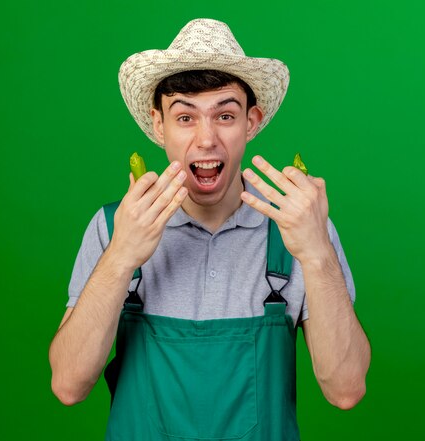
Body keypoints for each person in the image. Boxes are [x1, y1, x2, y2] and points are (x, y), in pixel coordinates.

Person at [49, 18, 371, 440]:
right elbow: (68, 385)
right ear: (158, 124)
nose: (206, 139)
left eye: (225, 114)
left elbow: (346, 389)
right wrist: (122, 256)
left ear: (251, 122)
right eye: (185, 117)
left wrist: (317, 254)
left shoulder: (298, 226)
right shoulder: (113, 227)